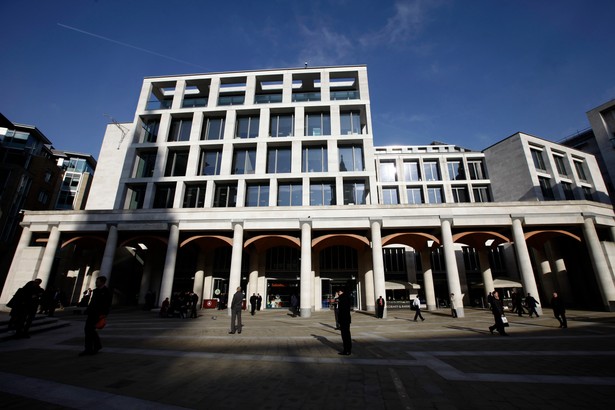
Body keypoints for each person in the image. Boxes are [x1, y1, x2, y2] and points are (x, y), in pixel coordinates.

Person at [80, 276, 111, 356]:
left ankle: (89, 349)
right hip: (92, 313)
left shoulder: (106, 292)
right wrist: (87, 310)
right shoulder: (96, 291)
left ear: (102, 282)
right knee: (90, 330)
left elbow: (107, 304)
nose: (96, 283)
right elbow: (92, 302)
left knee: (89, 330)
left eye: (97, 282)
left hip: (98, 314)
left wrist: (104, 314)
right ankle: (95, 346)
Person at [337, 287, 352, 355]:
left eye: (339, 292)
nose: (338, 293)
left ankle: (346, 350)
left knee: (345, 336)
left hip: (343, 319)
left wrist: (336, 297)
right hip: (346, 319)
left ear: (342, 292)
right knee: (347, 335)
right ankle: (348, 349)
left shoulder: (342, 298)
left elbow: (340, 309)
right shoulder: (346, 298)